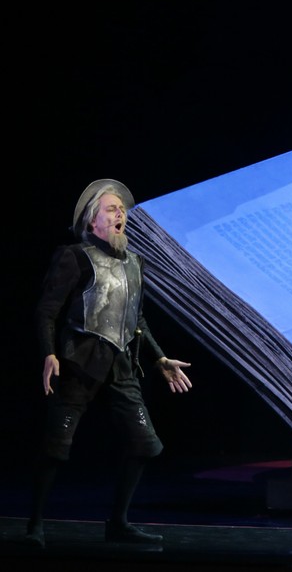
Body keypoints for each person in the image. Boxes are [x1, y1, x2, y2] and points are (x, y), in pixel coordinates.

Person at [25, 179, 193, 548]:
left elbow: (137, 318)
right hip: (79, 363)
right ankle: (34, 525)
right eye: (112, 209)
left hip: (121, 365)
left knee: (145, 445)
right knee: (56, 448)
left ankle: (118, 523)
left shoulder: (135, 263)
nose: (120, 215)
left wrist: (159, 357)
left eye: (122, 210)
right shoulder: (75, 257)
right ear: (93, 221)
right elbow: (47, 311)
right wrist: (49, 353)